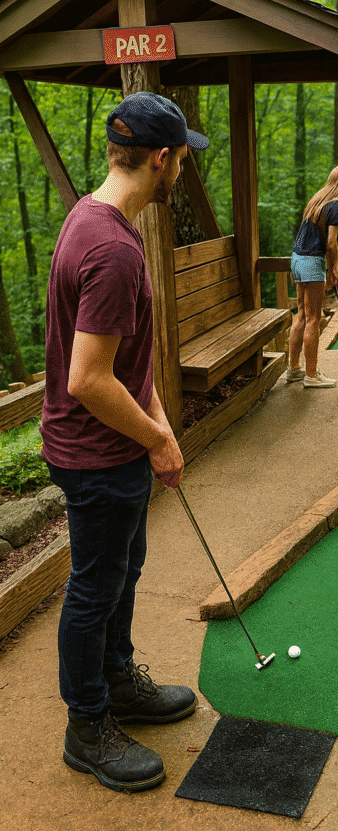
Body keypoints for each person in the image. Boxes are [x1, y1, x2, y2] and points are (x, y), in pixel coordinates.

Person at [40, 91, 209, 793]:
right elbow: (87, 379)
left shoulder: (94, 215)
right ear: (161, 159)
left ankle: (117, 684)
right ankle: (88, 727)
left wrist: (158, 423)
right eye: (183, 158)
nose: (183, 171)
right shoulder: (112, 248)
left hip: (113, 447)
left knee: (121, 571)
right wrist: (157, 441)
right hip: (98, 453)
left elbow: (128, 363)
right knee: (94, 589)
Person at [285, 165, 338, 388]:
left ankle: (293, 370)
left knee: (301, 315)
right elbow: (331, 243)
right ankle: (312, 375)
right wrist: (333, 269)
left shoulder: (317, 201)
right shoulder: (336, 205)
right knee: (313, 319)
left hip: (297, 259)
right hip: (311, 262)